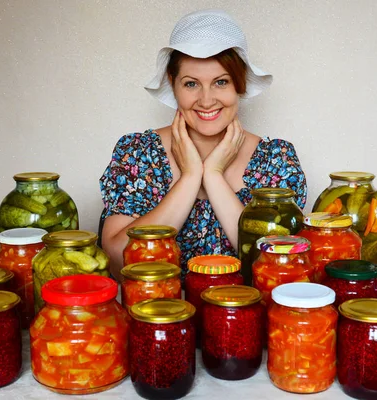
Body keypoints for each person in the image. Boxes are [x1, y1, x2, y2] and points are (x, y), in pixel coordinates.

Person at [99, 9, 307, 280]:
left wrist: (213, 176)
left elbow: (278, 269)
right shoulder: (137, 152)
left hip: (246, 319)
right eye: (191, 84)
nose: (206, 100)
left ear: (239, 84)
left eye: (221, 82)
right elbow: (117, 258)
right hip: (155, 313)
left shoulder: (277, 158)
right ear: (173, 86)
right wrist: (190, 177)